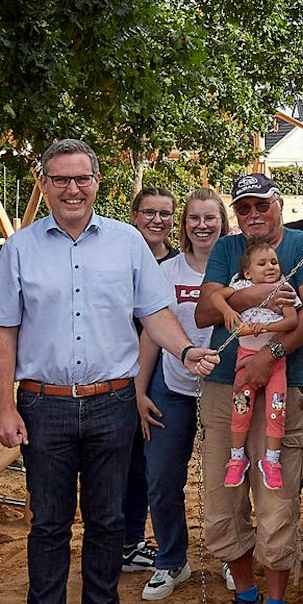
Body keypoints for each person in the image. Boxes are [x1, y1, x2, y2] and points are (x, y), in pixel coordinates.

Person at [0, 139, 217, 604]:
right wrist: (2, 407)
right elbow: (3, 333)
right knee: (48, 523)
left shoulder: (128, 241)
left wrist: (185, 350)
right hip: (45, 406)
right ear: (44, 185)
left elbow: (154, 310)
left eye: (81, 179)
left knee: (109, 520)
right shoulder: (20, 249)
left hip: (112, 402)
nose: (72, 189)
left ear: (97, 182)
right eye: (60, 180)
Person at [193, 173, 303, 604]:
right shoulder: (228, 249)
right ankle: (247, 597)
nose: (254, 215)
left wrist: (270, 354)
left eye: (262, 206)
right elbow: (204, 315)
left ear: (278, 205)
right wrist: (253, 297)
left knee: (275, 500)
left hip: (284, 387)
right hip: (222, 387)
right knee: (222, 500)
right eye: (245, 207)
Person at [133, 187, 228, 600]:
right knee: (162, 479)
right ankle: (173, 560)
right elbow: (153, 333)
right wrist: (139, 390)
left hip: (222, 388)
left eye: (210, 218)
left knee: (227, 479)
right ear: (184, 225)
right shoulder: (166, 271)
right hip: (171, 386)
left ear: (223, 222)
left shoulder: (236, 268)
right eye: (194, 218)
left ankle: (231, 555)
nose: (202, 226)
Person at [119, 188, 180, 576]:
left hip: (168, 371)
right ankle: (126, 542)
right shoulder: (119, 258)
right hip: (124, 370)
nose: (157, 220)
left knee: (152, 463)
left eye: (165, 214)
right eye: (149, 213)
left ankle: (135, 540)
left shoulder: (178, 263)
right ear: (134, 215)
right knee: (126, 462)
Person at [212, 237, 302, 488]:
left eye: (274, 262)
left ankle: (272, 461)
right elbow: (215, 297)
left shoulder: (284, 288)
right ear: (248, 272)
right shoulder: (239, 286)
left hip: (275, 362)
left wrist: (269, 326)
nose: (271, 266)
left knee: (276, 410)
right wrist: (228, 311)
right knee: (242, 409)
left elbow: (292, 321)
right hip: (245, 357)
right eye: (262, 263)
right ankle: (237, 458)